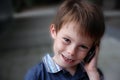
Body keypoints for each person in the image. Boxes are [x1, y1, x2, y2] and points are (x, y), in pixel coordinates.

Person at [25, 0, 105, 80]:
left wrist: (92, 72)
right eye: (67, 40)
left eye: (83, 46)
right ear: (54, 31)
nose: (71, 52)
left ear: (92, 49)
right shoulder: (36, 75)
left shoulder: (93, 75)